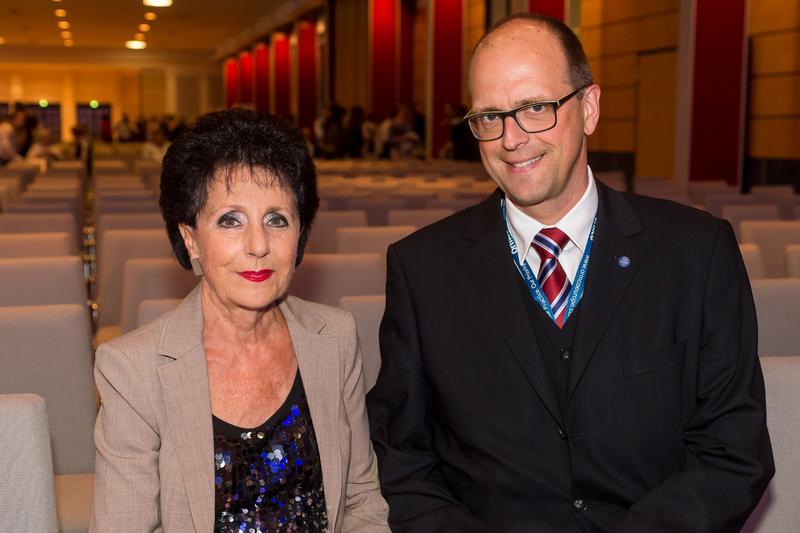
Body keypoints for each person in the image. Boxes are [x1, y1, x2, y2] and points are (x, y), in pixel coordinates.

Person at [367, 13, 773, 533]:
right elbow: (401, 460)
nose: (511, 139)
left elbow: (734, 450)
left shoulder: (696, 252)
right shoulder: (421, 269)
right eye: (489, 116)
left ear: (589, 108)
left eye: (535, 107)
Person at [91, 109, 389, 532]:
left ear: (300, 236)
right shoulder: (132, 370)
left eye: (277, 220)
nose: (258, 245)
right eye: (230, 221)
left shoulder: (335, 338)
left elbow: (361, 498)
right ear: (191, 238)